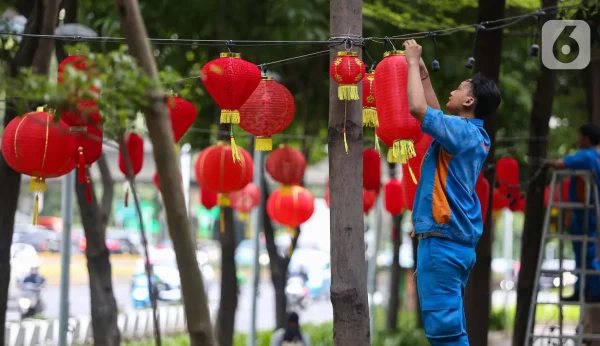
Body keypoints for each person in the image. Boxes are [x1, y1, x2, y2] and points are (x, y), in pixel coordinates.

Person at [402, 39, 501, 346]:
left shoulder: (460, 133)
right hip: (456, 243)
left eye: (460, 88)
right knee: (451, 329)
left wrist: (409, 62)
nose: (453, 92)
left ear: (469, 102)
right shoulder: (470, 134)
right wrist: (422, 74)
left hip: (442, 242)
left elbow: (419, 109)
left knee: (445, 334)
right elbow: (434, 111)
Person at [548, 123, 600, 302]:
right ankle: (583, 289)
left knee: (585, 253)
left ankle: (594, 289)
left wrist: (547, 163)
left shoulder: (586, 156)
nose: (578, 139)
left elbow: (562, 163)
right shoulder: (597, 157)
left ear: (586, 138)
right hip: (591, 210)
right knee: (583, 252)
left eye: (580, 136)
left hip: (584, 211)